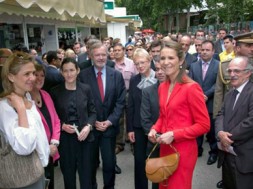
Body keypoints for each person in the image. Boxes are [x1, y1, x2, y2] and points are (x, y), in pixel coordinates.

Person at [148, 41, 210, 189]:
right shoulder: (162, 87)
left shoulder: (191, 88)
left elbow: (204, 125)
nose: (166, 62)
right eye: (162, 58)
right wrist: (154, 129)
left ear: (181, 61)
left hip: (183, 150)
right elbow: (163, 116)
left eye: (171, 58)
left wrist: (175, 134)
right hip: (165, 147)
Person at [79, 42, 126, 189]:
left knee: (109, 164)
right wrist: (91, 123)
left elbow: (120, 101)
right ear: (91, 56)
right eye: (97, 55)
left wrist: (110, 121)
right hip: (91, 129)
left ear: (107, 55)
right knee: (91, 164)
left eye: (103, 54)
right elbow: (82, 103)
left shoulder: (116, 75)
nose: (100, 57)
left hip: (109, 128)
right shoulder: (83, 76)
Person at [0, 52, 50, 189]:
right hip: (22, 179)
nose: (33, 78)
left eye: (33, 73)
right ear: (11, 77)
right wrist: (21, 110)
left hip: (37, 170)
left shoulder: (27, 96)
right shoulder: (5, 107)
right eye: (26, 74)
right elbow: (24, 147)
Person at [213, 32, 253, 189]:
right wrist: (220, 133)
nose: (232, 75)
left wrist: (228, 137)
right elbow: (221, 113)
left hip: (245, 153)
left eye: (237, 71)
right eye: (230, 71)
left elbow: (251, 121)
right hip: (227, 153)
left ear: (248, 73)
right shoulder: (230, 93)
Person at [50, 57, 97, 189]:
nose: (69, 74)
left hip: (84, 137)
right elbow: (52, 117)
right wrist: (62, 126)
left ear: (78, 71)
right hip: (65, 139)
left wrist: (88, 127)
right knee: (68, 175)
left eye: (72, 70)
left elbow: (93, 112)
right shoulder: (55, 91)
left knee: (86, 175)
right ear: (61, 72)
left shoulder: (86, 89)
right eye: (65, 71)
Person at [127, 48, 157, 189]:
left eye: (143, 62)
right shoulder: (134, 80)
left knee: (157, 161)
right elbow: (131, 105)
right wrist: (130, 129)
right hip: (138, 127)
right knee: (139, 161)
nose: (140, 66)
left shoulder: (160, 77)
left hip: (157, 126)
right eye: (136, 63)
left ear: (150, 61)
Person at [30, 63, 61, 189]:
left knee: (50, 183)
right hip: (34, 154)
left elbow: (56, 121)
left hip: (50, 151)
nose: (39, 78)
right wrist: (45, 147)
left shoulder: (46, 95)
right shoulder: (24, 99)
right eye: (35, 75)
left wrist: (54, 143)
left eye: (42, 75)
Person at [189, 40, 219, 163]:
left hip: (211, 103)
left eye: (207, 50)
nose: (204, 52)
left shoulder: (218, 65)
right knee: (197, 129)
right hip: (196, 103)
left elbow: (218, 84)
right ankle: (197, 150)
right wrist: (198, 95)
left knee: (212, 131)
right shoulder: (194, 65)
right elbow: (190, 82)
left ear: (213, 51)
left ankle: (213, 152)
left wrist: (206, 94)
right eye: (202, 50)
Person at [140, 60, 166, 189]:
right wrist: (156, 136)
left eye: (163, 68)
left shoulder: (180, 89)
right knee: (157, 179)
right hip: (154, 141)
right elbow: (145, 118)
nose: (160, 72)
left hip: (174, 140)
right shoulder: (148, 91)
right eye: (157, 69)